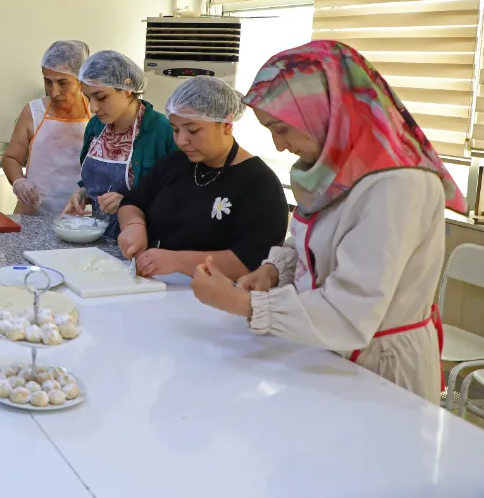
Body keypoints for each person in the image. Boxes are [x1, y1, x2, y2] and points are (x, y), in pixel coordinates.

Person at [189, 41, 465, 402]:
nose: (280, 145)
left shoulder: (397, 184)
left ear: (323, 110)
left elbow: (351, 312)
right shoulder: (334, 172)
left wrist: (245, 305)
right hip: (328, 348)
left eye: (282, 128)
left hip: (381, 366)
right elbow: (312, 240)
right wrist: (274, 271)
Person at [117, 76, 287, 280]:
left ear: (226, 125)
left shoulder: (259, 184)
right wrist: (133, 225)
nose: (181, 141)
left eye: (193, 130)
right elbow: (134, 201)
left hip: (219, 297)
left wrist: (177, 261)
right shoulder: (176, 163)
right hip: (159, 286)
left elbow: (253, 260)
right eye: (175, 129)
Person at [63, 50, 175, 238]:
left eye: (101, 97)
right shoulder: (96, 126)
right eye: (89, 98)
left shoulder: (163, 131)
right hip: (98, 236)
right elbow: (97, 181)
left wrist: (131, 203)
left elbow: (181, 195)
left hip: (142, 243)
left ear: (127, 88)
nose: (93, 108)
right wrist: (84, 193)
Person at [3, 40, 91, 215]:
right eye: (48, 82)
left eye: (62, 83)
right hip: (33, 213)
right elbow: (11, 158)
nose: (53, 92)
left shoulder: (95, 114)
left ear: (80, 80)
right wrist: (19, 182)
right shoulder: (34, 111)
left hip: (80, 216)